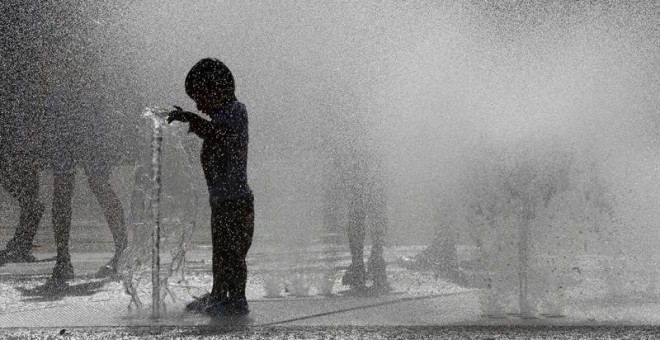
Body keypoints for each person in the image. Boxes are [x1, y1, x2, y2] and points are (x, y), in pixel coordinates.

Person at [167, 58, 254, 316]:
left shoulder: (236, 111)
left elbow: (219, 134)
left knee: (234, 254)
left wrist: (193, 119)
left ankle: (237, 299)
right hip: (222, 201)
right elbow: (213, 131)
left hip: (237, 201)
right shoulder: (221, 116)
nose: (198, 104)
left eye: (199, 97)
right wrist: (195, 121)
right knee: (221, 253)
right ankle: (218, 294)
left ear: (218, 90)